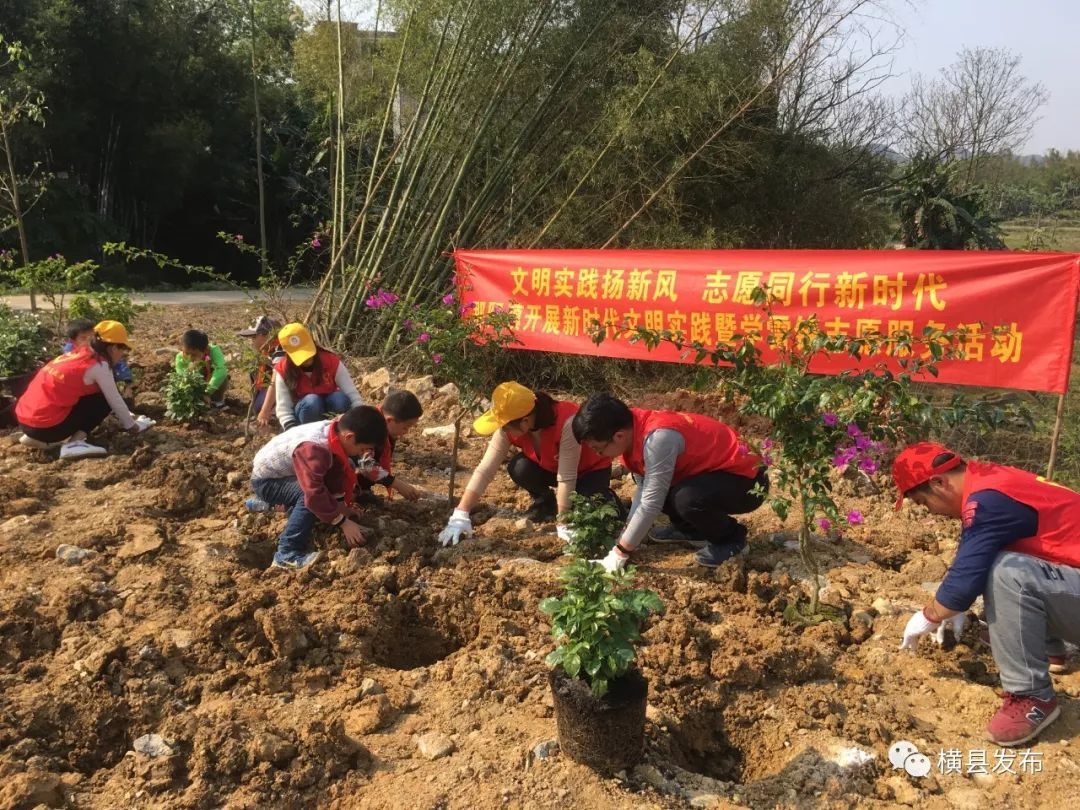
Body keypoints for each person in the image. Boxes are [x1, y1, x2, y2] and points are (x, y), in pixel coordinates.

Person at [893, 441, 1080, 746]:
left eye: (924, 503)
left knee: (1009, 572)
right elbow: (975, 559)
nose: (933, 513)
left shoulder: (986, 501)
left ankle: (1031, 696)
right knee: (1005, 558)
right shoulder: (990, 480)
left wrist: (931, 615)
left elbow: (963, 584)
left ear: (939, 483)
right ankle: (1047, 648)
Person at [570, 393, 767, 571]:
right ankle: (692, 531)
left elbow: (651, 502)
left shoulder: (658, 439)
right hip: (712, 475)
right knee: (659, 488)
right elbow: (644, 491)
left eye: (598, 449)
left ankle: (732, 540)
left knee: (686, 499)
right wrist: (626, 535)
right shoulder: (631, 432)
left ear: (618, 436)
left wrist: (620, 552)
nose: (598, 455)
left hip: (748, 481)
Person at [438, 382, 616, 547]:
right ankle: (546, 503)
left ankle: (613, 504)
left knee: (592, 512)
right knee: (519, 467)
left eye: (506, 426)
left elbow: (567, 477)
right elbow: (485, 469)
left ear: (525, 421)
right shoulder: (510, 427)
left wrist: (564, 523)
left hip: (589, 471)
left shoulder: (566, 422)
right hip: (553, 469)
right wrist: (461, 513)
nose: (503, 430)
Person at [250, 405, 388, 570]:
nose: (361, 454)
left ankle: (270, 505)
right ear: (350, 437)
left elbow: (335, 471)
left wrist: (341, 507)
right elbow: (313, 493)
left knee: (319, 498)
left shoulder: (335, 432)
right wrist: (342, 522)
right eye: (361, 449)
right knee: (307, 497)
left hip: (288, 474)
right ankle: (286, 553)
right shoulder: (314, 448)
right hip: (266, 481)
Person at [16, 320, 153, 458]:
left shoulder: (79, 353)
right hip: (45, 427)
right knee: (103, 401)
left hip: (25, 421)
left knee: (93, 396)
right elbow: (114, 399)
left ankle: (36, 437)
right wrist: (134, 426)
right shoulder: (99, 365)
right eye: (123, 349)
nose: (123, 354)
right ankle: (74, 444)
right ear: (114, 348)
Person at [273, 323, 363, 430]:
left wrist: (360, 416)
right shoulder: (283, 369)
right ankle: (310, 433)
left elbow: (351, 393)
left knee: (339, 399)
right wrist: (292, 431)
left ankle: (338, 430)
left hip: (331, 410)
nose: (306, 358)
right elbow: (283, 408)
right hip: (306, 415)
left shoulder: (331, 361)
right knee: (312, 401)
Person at [357, 390, 427, 502]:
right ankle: (354, 492)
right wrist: (396, 484)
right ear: (389, 420)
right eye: (406, 427)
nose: (406, 432)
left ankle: (362, 490)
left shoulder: (385, 428)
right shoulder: (369, 428)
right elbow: (366, 465)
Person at [63, 319, 135, 398]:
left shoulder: (99, 349)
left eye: (90, 337)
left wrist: (128, 382)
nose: (87, 341)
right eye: (83, 338)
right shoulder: (71, 352)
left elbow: (120, 365)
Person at [236, 315, 283, 428]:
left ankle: (275, 413)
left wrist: (265, 411)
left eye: (253, 337)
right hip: (267, 388)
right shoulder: (265, 351)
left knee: (260, 406)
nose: (251, 342)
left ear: (265, 335)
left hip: (285, 392)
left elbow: (277, 381)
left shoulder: (280, 350)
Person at [175, 329, 229, 407]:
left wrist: (206, 392)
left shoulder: (213, 351)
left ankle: (218, 401)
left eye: (194, 355)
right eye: (186, 353)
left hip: (210, 385)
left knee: (223, 377)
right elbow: (181, 376)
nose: (190, 358)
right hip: (195, 388)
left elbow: (221, 370)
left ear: (205, 350)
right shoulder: (180, 357)